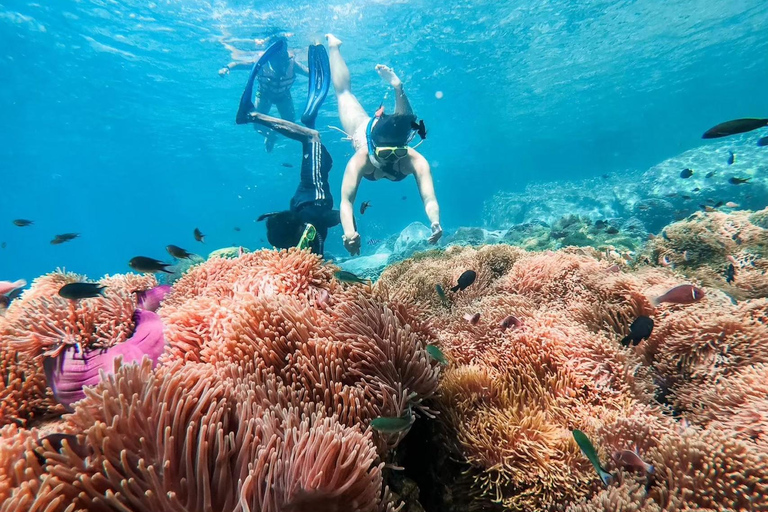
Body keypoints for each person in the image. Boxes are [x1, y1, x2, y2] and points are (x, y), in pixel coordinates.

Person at [324, 34, 442, 256]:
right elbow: (346, 202)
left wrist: (435, 222)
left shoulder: (412, 159)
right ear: (373, 149)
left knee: (404, 122)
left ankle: (398, 87)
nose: (393, 159)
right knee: (343, 94)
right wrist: (349, 233)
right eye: (386, 153)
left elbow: (429, 198)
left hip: (390, 130)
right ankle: (334, 47)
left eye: (398, 152)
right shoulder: (361, 157)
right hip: (362, 130)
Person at [236, 44, 339, 256]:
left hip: (313, 193)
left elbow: (338, 217)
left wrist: (348, 221)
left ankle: (252, 115)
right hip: (305, 197)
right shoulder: (309, 237)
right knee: (317, 148)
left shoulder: (311, 227)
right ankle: (304, 121)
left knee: (312, 137)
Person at [224, 35, 309, 152]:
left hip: (284, 96)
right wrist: (227, 68)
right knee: (257, 125)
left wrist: (320, 73)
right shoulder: (261, 63)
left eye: (282, 60)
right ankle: (270, 136)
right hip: (264, 95)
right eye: (275, 60)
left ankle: (274, 136)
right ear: (270, 58)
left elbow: (309, 73)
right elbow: (238, 64)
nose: (279, 64)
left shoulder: (293, 64)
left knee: (291, 125)